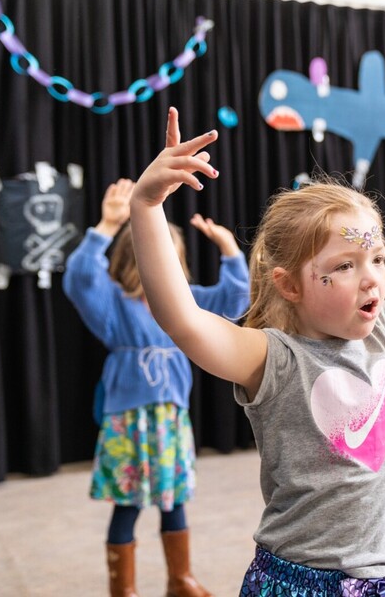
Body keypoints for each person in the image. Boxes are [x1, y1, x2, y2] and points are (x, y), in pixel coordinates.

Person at [127, 106, 385, 596]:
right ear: (289, 285)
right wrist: (146, 208)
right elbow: (184, 320)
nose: (371, 277)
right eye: (344, 265)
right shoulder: (273, 359)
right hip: (295, 582)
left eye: (378, 258)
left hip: (380, 577)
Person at [63, 178, 250, 597]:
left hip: (169, 417)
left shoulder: (187, 303)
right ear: (138, 256)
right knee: (127, 502)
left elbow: (238, 300)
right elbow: (79, 279)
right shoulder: (114, 304)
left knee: (174, 497)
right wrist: (106, 228)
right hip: (127, 419)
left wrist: (230, 250)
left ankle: (179, 580)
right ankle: (123, 588)